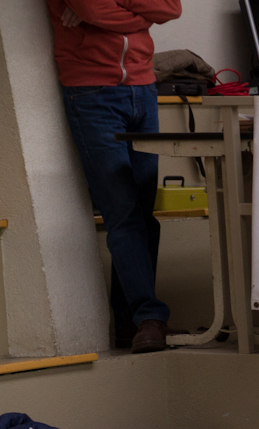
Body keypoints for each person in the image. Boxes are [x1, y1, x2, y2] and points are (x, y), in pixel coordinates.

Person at [50, 0, 182, 355]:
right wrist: (141, 17)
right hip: (91, 91)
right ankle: (149, 316)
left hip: (144, 88)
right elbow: (93, 9)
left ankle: (129, 322)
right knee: (122, 212)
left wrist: (115, 6)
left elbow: (171, 8)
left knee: (145, 212)